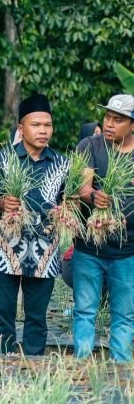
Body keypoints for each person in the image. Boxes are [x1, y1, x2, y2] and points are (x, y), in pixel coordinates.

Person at [0, 94, 66, 355]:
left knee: (37, 315)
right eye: (36, 125)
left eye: (47, 125)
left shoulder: (63, 163)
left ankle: (34, 362)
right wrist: (1, 204)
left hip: (45, 250)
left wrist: (66, 212)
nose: (43, 130)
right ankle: (3, 363)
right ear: (21, 128)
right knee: (3, 312)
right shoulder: (2, 158)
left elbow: (69, 201)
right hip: (5, 248)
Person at [73, 94, 134, 362]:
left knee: (124, 313)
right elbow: (82, 184)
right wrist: (92, 196)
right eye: (107, 117)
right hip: (89, 247)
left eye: (118, 120)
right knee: (85, 309)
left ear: (132, 125)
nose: (109, 123)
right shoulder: (90, 145)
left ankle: (120, 367)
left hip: (128, 250)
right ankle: (82, 363)